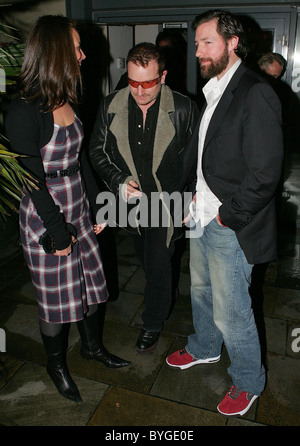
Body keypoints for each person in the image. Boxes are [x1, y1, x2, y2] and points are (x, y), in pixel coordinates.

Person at [5, 15, 130, 404]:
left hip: (76, 200)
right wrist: (59, 232)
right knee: (56, 300)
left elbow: (78, 161)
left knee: (91, 285)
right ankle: (56, 365)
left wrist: (97, 207)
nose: (82, 54)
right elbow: (32, 181)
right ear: (56, 52)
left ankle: (92, 348)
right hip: (46, 215)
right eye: (75, 46)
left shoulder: (67, 98)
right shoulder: (25, 110)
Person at [166, 10, 283, 417]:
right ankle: (204, 348)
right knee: (199, 291)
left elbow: (265, 173)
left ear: (233, 43)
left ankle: (249, 380)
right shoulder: (214, 89)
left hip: (230, 224)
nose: (197, 51)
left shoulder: (256, 92)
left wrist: (225, 217)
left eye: (207, 42)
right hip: (202, 215)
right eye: (196, 43)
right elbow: (206, 159)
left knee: (232, 311)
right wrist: (192, 202)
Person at [89, 42, 199, 353]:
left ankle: (153, 321)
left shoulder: (183, 108)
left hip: (167, 201)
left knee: (158, 260)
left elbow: (198, 159)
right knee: (147, 258)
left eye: (147, 82)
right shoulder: (110, 105)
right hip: (133, 202)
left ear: (162, 76)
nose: (139, 90)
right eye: (132, 81)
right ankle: (165, 292)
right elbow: (96, 151)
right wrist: (117, 180)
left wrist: (190, 198)